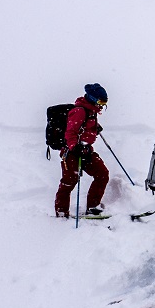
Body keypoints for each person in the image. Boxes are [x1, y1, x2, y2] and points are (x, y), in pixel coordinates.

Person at [55, 83, 109, 218]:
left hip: (86, 151)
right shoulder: (79, 111)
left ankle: (93, 206)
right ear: (92, 98)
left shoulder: (92, 111)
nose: (102, 105)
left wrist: (95, 128)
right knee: (69, 181)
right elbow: (70, 132)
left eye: (104, 102)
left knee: (102, 174)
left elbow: (85, 128)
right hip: (72, 153)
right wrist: (75, 146)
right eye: (100, 101)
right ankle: (61, 212)